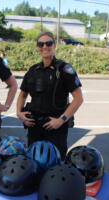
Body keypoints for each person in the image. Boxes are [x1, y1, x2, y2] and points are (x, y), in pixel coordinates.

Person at [16, 32, 83, 160]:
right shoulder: (33, 70)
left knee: (56, 164)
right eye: (41, 44)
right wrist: (19, 113)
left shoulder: (64, 69)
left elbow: (78, 98)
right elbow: (23, 94)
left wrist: (61, 120)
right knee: (33, 161)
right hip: (34, 126)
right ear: (37, 47)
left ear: (54, 45)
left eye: (48, 43)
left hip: (55, 128)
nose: (45, 47)